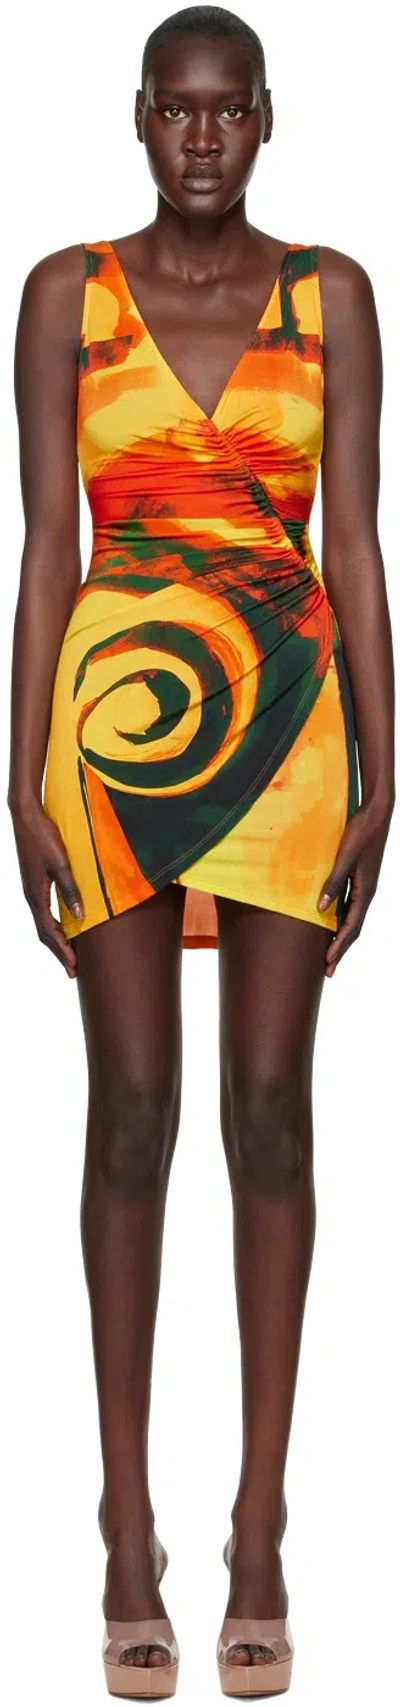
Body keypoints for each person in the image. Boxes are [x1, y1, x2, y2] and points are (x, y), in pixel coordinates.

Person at [7, 4, 395, 1699]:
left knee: (271, 1113)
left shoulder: (333, 297)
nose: (202, 138)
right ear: (138, 117)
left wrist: (385, 763)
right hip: (113, 737)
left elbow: (354, 541)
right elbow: (46, 547)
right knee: (131, 1114)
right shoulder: (66, 296)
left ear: (270, 120)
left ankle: (257, 1529)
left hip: (293, 735)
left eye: (228, 111)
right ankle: (122, 1525)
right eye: (176, 109)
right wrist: (20, 775)